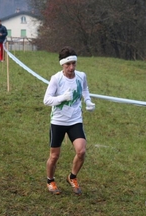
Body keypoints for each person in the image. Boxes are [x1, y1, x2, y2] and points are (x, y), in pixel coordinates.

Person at [43, 46, 95, 195]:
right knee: (54, 156)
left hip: (75, 120)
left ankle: (72, 177)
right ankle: (50, 180)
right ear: (62, 64)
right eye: (68, 64)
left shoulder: (81, 76)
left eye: (74, 64)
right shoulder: (56, 79)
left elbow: (85, 89)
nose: (71, 67)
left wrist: (88, 101)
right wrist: (62, 98)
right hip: (58, 121)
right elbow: (46, 100)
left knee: (81, 151)